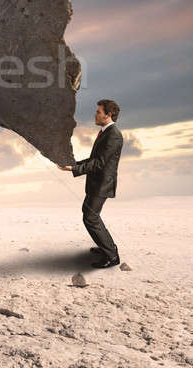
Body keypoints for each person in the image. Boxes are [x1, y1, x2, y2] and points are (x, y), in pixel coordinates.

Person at [57, 99, 123, 268]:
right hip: (96, 183)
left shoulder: (114, 135)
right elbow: (94, 160)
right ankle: (106, 247)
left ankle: (111, 256)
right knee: (89, 214)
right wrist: (74, 165)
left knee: (90, 217)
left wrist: (74, 169)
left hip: (102, 185)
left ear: (108, 115)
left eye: (98, 112)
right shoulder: (105, 132)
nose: (95, 114)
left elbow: (99, 163)